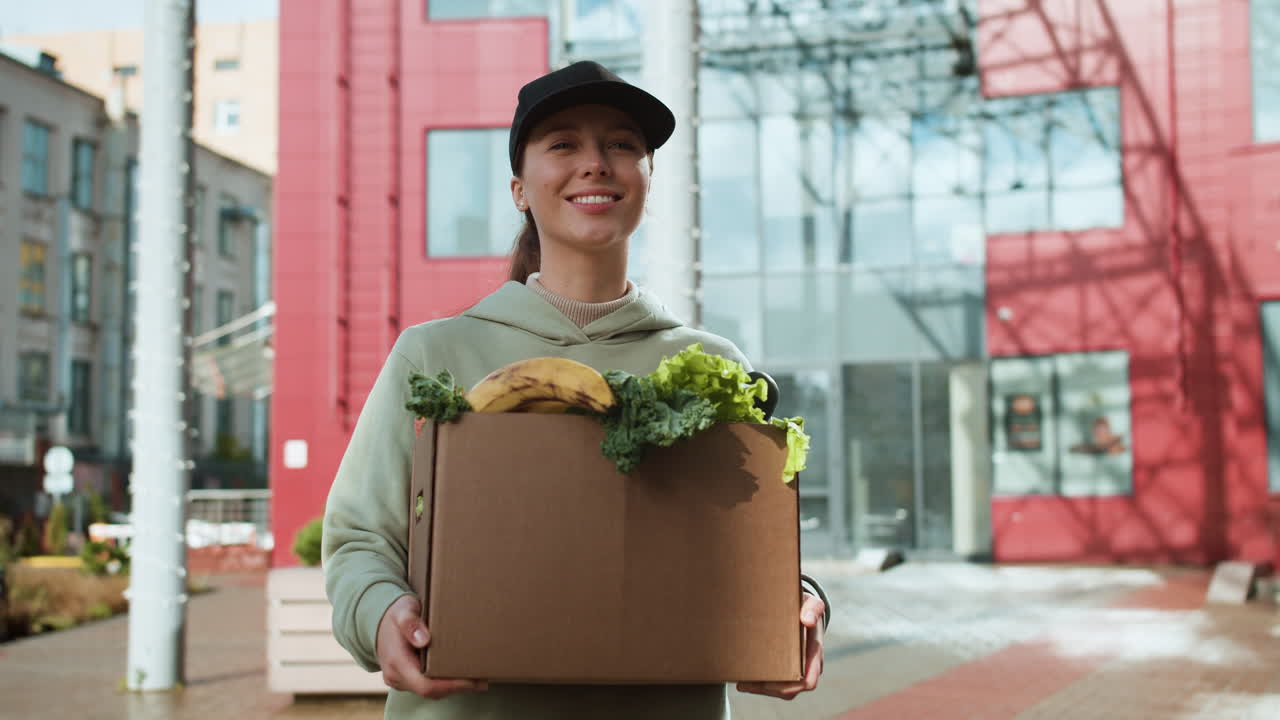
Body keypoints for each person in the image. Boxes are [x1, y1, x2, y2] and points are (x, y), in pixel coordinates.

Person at [323, 60, 830, 719]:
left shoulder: (713, 364)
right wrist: (383, 612)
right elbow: (361, 536)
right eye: (563, 143)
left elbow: (743, 545)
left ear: (648, 180)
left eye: (622, 144)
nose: (595, 163)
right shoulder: (436, 354)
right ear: (519, 189)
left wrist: (803, 603)